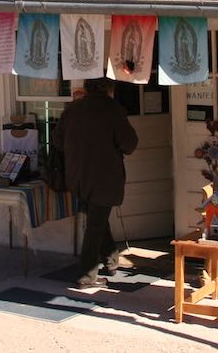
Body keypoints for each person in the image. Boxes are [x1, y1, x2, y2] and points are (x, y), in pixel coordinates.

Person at [51, 77, 138, 288]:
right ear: (109, 89)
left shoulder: (73, 109)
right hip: (103, 176)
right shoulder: (112, 109)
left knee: (96, 218)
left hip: (78, 175)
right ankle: (87, 275)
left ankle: (111, 260)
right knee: (96, 223)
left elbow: (57, 140)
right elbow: (129, 144)